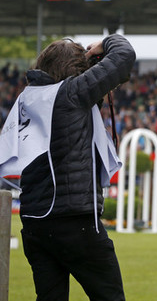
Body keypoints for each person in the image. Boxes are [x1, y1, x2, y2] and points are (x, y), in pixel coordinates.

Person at [0, 34, 135, 300]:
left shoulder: (30, 97)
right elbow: (124, 57)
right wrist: (107, 43)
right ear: (74, 70)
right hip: (75, 221)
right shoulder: (72, 93)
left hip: (35, 223)